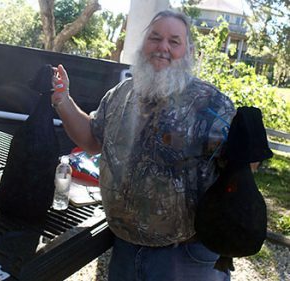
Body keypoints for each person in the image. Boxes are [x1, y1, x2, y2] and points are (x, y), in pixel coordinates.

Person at [52, 10, 236, 281]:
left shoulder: (212, 104)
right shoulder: (119, 95)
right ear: (143, 44)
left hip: (185, 259)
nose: (163, 47)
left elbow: (241, 170)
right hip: (125, 249)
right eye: (155, 38)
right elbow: (91, 140)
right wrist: (62, 100)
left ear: (187, 51)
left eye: (174, 41)